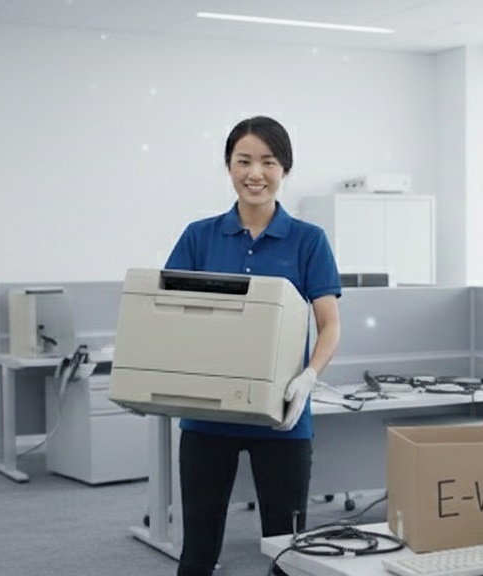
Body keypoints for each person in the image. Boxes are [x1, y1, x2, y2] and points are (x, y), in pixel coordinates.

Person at [163, 116, 342, 576]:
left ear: (285, 169)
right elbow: (169, 314)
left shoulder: (308, 240)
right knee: (198, 551)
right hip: (207, 417)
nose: (255, 173)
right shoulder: (198, 236)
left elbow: (329, 325)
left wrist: (308, 378)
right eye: (243, 161)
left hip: (282, 418)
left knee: (286, 552)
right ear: (229, 166)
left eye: (268, 161)